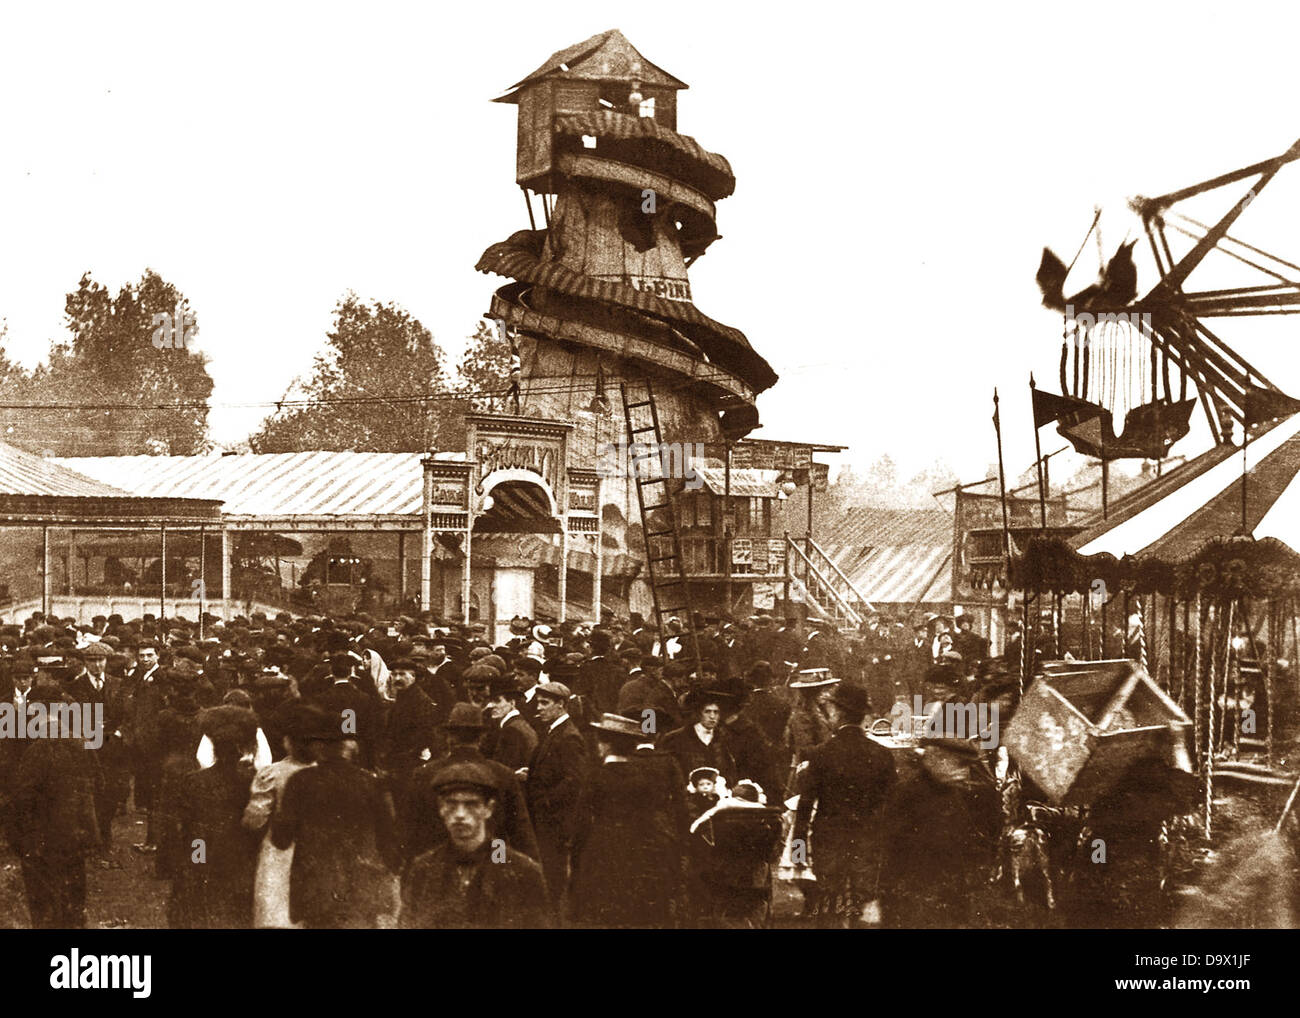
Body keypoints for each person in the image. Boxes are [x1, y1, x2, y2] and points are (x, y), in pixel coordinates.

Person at [270, 708, 402, 928]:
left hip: (316, 889)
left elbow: (281, 839)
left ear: (318, 746)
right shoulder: (370, 783)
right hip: (360, 888)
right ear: (348, 746)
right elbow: (389, 840)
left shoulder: (300, 781)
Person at [792, 682, 897, 928]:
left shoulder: (820, 755)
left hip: (829, 841)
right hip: (869, 842)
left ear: (838, 714)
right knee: (863, 906)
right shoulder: (882, 755)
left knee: (829, 905)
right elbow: (893, 805)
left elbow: (804, 808)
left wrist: (798, 854)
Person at [570, 713, 689, 929]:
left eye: (600, 740)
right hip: (639, 852)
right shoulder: (644, 777)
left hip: (603, 849)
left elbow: (581, 821)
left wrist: (577, 852)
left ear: (606, 744)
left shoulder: (597, 776)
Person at [399, 762, 551, 929]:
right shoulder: (422, 871)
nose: (460, 815)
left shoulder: (522, 872)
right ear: (441, 808)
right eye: (451, 804)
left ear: (489, 809)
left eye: (471, 804)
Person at [8, 677, 103, 928]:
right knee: (73, 897)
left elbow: (22, 799)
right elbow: (99, 785)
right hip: (77, 836)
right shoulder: (82, 742)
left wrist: (18, 838)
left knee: (45, 906)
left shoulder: (37, 750)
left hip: (43, 840)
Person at [168, 706, 260, 928]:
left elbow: (188, 827)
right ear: (241, 749)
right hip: (239, 859)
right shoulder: (252, 781)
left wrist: (197, 860)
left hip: (203, 854)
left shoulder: (194, 781)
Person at [243, 702, 316, 928]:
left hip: (280, 850)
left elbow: (255, 819)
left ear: (288, 742)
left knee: (275, 910)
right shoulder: (325, 773)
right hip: (318, 850)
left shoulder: (272, 774)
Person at [522, 682, 589, 913]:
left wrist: (546, 802)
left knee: (552, 874)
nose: (538, 708)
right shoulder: (554, 731)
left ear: (561, 705)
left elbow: (574, 780)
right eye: (538, 702)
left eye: (544, 703)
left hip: (554, 820)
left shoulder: (569, 737)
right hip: (548, 818)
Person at [485, 673, 538, 772]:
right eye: (491, 701)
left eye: (497, 701)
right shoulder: (519, 723)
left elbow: (506, 769)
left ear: (512, 703)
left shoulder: (512, 730)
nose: (491, 706)